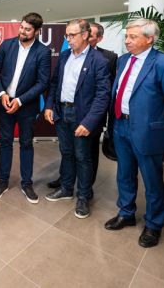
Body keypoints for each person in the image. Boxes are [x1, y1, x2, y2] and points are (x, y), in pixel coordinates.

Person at [104, 18, 164, 248]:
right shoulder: (123, 61)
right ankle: (126, 213)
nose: (127, 41)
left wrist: (159, 121)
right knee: (124, 173)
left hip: (148, 131)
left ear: (150, 38)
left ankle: (153, 224)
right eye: (126, 36)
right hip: (121, 126)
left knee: (152, 180)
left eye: (133, 37)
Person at [43, 19, 110, 218]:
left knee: (83, 157)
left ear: (85, 35)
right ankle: (65, 188)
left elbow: (102, 96)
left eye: (72, 35)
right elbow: (55, 84)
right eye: (67, 35)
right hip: (62, 113)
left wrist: (89, 122)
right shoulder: (64, 56)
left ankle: (83, 196)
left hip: (82, 116)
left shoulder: (99, 61)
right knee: (67, 153)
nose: (68, 39)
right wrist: (48, 106)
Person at [0, 12, 51, 204]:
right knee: (5, 143)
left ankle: (26, 183)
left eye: (27, 29)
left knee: (26, 144)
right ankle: (3, 181)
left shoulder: (42, 52)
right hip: (4, 104)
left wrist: (20, 101)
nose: (22, 31)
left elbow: (42, 83)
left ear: (37, 31)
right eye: (21, 27)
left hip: (26, 107)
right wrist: (2, 95)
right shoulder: (7, 45)